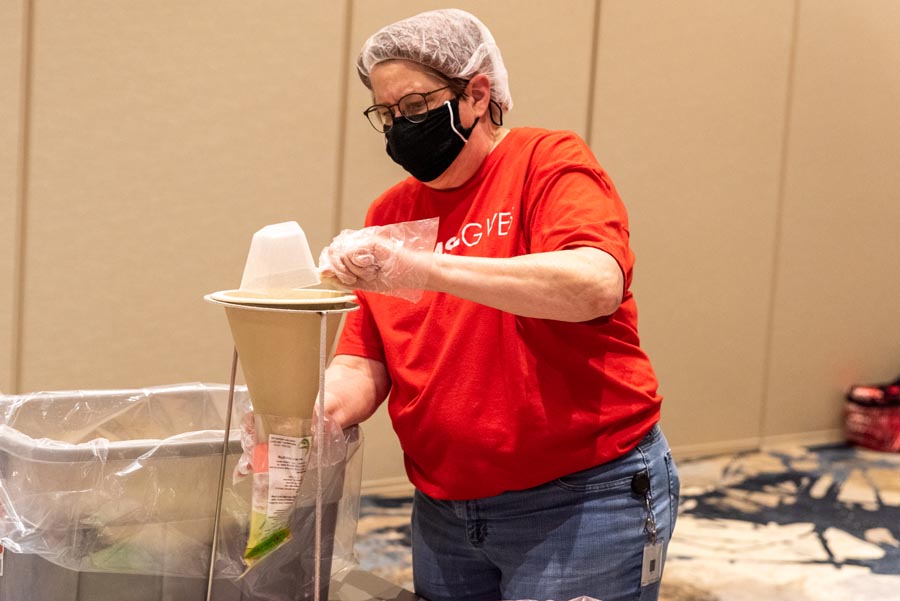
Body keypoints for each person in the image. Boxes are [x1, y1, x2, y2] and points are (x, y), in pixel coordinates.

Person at [320, 8, 679, 601]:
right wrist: (316, 414)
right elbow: (365, 359)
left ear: (477, 94)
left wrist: (426, 267)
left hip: (582, 496)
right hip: (445, 509)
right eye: (385, 114)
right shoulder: (390, 214)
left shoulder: (548, 162)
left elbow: (594, 284)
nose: (399, 127)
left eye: (414, 106)